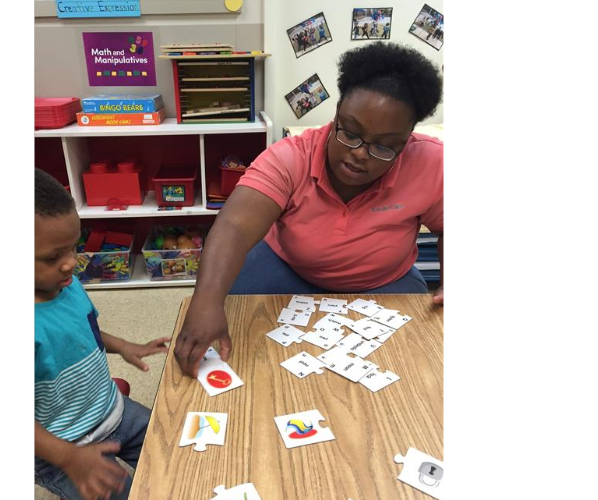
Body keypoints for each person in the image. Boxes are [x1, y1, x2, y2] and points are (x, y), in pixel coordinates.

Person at [174, 43, 444, 377]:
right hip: (288, 267)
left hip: (385, 279)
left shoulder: (431, 161)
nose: (360, 154)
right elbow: (234, 226)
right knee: (251, 358)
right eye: (350, 132)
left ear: (406, 141)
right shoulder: (290, 156)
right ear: (335, 116)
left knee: (407, 366)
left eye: (384, 146)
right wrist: (206, 302)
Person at [34, 167, 171, 499]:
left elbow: (86, 330)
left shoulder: (68, 285)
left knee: (174, 445)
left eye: (73, 248)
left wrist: (123, 345)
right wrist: (70, 458)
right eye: (53, 257)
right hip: (62, 451)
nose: (71, 264)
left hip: (112, 410)